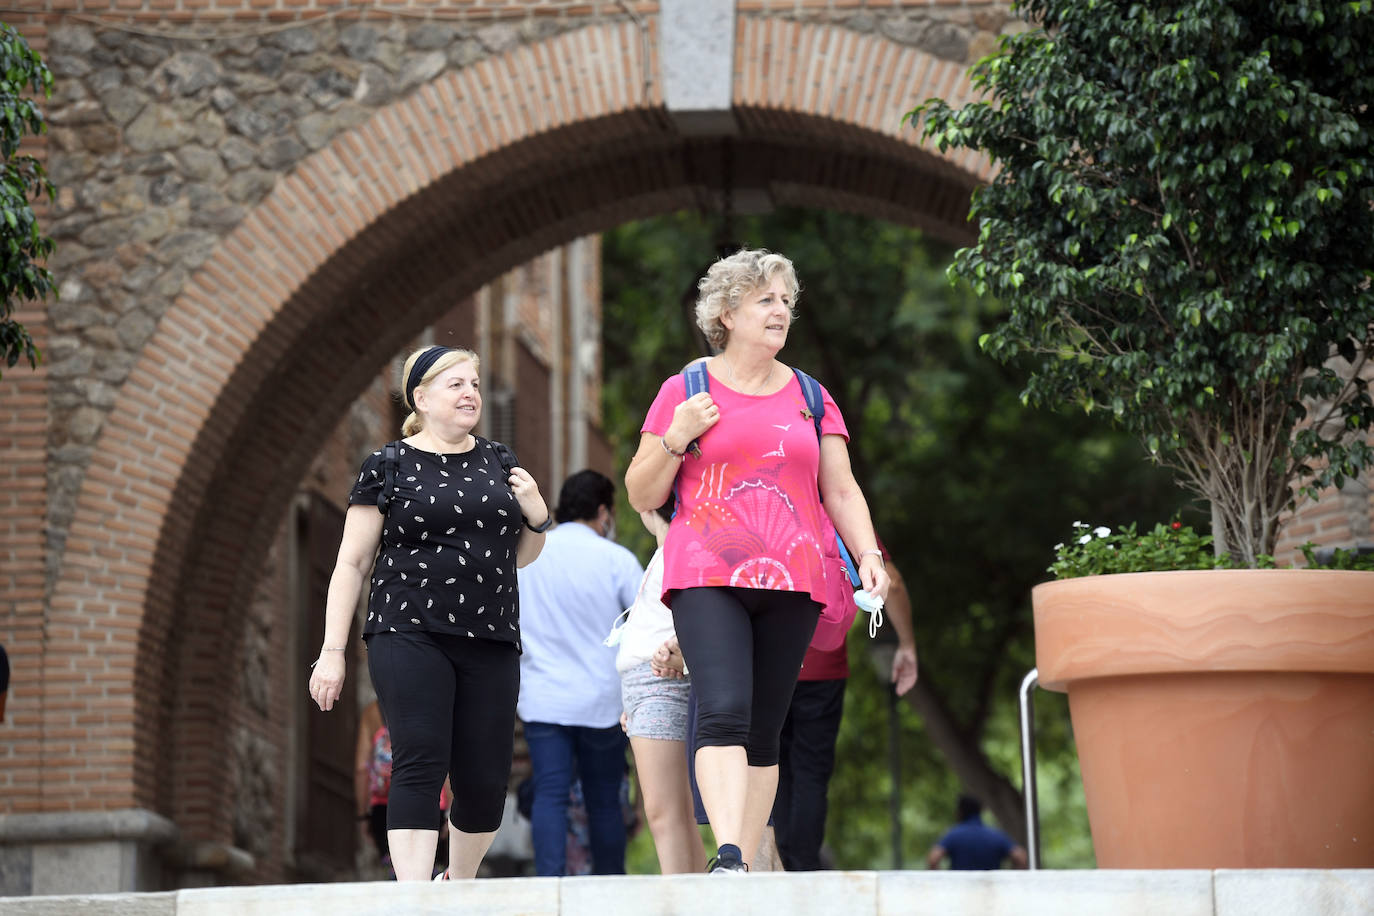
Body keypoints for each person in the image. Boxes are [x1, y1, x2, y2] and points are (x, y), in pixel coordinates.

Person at [624, 248, 890, 874]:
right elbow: (641, 493)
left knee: (766, 727)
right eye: (766, 299)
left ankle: (742, 865)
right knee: (722, 707)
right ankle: (731, 856)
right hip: (706, 571)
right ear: (727, 312)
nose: (781, 312)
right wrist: (676, 435)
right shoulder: (684, 390)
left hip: (793, 576)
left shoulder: (810, 394)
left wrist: (869, 554)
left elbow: (841, 489)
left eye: (786, 302)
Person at [308, 344, 552, 882]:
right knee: (419, 759)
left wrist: (537, 517)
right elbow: (350, 563)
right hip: (407, 630)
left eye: (474, 384)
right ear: (420, 396)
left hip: (490, 637)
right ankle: (414, 897)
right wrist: (331, 652)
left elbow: (519, 559)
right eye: (455, 384)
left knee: (486, 782)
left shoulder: (500, 461)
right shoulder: (388, 466)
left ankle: (458, 883)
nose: (470, 394)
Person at [516, 470, 644, 876]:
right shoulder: (617, 560)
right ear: (603, 512)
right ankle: (610, 890)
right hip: (602, 702)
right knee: (604, 798)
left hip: (543, 698)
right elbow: (645, 626)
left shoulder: (529, 554)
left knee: (550, 793)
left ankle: (548, 887)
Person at [772, 547, 919, 871]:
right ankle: (804, 867)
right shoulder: (843, 512)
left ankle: (777, 864)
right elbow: (890, 581)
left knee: (770, 765)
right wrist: (907, 644)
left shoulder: (763, 499)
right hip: (823, 668)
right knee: (810, 771)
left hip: (770, 662)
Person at [614, 505, 707, 874]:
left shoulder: (682, 544)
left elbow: (698, 618)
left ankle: (679, 902)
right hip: (645, 687)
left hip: (661, 682)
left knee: (665, 812)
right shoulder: (667, 548)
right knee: (674, 812)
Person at [927, 794, 1029, 870]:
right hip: (991, 892)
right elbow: (1022, 858)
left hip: (960, 891)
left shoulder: (954, 835)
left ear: (960, 812)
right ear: (980, 811)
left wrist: (944, 881)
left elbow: (933, 858)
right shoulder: (996, 835)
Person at [355, 698, 393, 872]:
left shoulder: (372, 712)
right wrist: (448, 811)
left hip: (383, 804)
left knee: (393, 867)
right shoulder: (426, 703)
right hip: (427, 800)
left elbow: (361, 768)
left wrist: (363, 815)